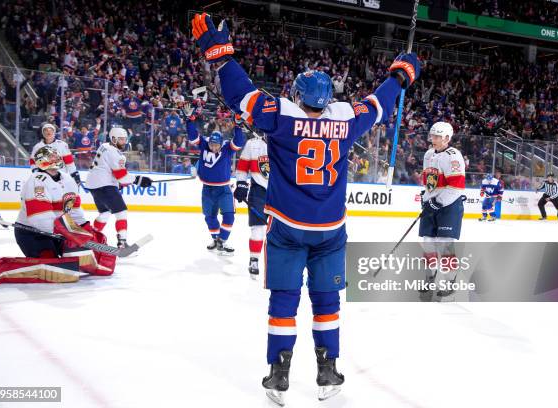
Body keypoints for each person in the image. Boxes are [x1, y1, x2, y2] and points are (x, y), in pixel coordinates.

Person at [191, 12, 419, 404]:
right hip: (331, 229)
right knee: (326, 302)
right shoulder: (347, 119)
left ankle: (279, 374)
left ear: (298, 96)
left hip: (287, 227)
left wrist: (221, 56)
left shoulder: (280, 115)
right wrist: (400, 75)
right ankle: (327, 370)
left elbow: (239, 94)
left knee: (284, 298)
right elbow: (380, 103)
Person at [0, 146, 116, 284]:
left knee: (82, 254)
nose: (56, 158)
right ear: (42, 160)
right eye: (51, 156)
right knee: (55, 267)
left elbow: (75, 211)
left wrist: (85, 229)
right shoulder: (37, 181)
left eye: (56, 155)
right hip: (33, 234)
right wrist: (70, 233)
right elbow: (40, 220)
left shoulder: (68, 180)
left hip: (59, 232)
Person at [419, 121, 466, 297]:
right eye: (433, 135)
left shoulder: (454, 156)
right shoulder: (429, 154)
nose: (434, 139)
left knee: (445, 244)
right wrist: (425, 199)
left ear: (447, 138)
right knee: (427, 242)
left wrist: (438, 202)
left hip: (449, 205)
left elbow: (456, 186)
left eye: (438, 136)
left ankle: (450, 280)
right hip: (432, 203)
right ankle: (430, 278)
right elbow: (428, 182)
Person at [85, 127, 153, 248]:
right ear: (114, 139)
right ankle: (122, 243)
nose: (124, 142)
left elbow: (108, 170)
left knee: (105, 213)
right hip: (104, 185)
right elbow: (122, 177)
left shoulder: (105, 146)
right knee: (121, 212)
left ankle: (90, 237)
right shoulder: (115, 153)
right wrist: (139, 180)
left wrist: (119, 183)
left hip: (93, 184)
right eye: (121, 139)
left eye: (125, 139)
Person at [188, 116, 245, 255]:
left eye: (216, 145)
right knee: (209, 217)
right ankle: (216, 239)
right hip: (207, 189)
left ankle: (222, 241)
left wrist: (238, 126)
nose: (213, 148)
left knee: (229, 216)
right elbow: (193, 136)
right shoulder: (204, 143)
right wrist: (189, 121)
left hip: (223, 189)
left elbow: (239, 142)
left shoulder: (226, 148)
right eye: (212, 145)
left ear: (221, 143)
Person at [234, 133, 268, 279]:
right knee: (258, 228)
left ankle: (278, 262)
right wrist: (241, 184)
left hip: (280, 192)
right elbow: (242, 167)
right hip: (258, 191)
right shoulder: (252, 144)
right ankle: (254, 260)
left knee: (281, 230)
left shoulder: (287, 141)